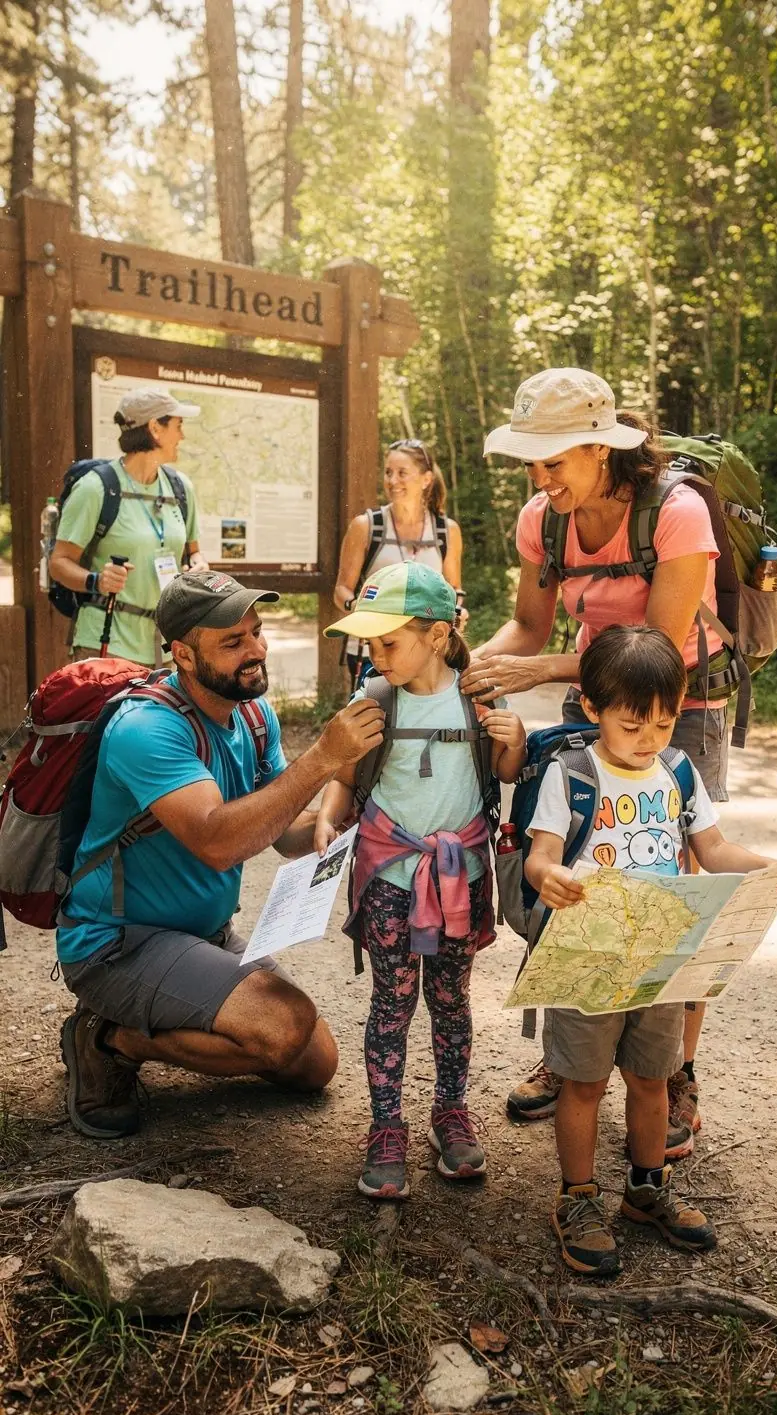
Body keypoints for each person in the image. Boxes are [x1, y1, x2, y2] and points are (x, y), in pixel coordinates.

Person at [463, 367, 727, 1153]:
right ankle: (573, 1050)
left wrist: (541, 670)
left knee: (670, 885)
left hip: (676, 708)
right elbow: (525, 625)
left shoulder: (677, 517)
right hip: (587, 703)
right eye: (532, 465)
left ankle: (673, 1071)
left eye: (555, 462)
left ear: (601, 448)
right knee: (580, 871)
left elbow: (657, 653)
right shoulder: (542, 521)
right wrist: (457, 669)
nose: (541, 481)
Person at [57, 571, 385, 1140]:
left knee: (314, 1063)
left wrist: (342, 823)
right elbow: (219, 842)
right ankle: (108, 1037)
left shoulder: (252, 715)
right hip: (117, 942)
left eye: (256, 634)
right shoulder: (149, 728)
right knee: (283, 1028)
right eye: (233, 644)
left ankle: (163, 1016)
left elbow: (282, 828)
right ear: (183, 654)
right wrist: (324, 758)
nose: (255, 652)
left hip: (206, 935)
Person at [525, 625, 777, 1277]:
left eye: (664, 721)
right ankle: (578, 1198)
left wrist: (770, 869)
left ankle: (646, 1189)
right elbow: (540, 857)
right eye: (632, 724)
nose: (649, 737)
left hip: (660, 956)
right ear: (592, 708)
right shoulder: (570, 774)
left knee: (654, 1077)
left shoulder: (679, 771)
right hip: (590, 959)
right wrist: (552, 878)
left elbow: (713, 850)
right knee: (585, 1082)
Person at [316, 563, 527, 1199]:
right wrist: (328, 818)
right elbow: (344, 772)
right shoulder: (373, 700)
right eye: (369, 645)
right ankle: (386, 1128)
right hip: (388, 878)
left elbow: (508, 770)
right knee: (392, 1002)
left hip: (460, 876)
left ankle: (449, 1113)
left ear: (437, 637)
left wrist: (515, 739)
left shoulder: (480, 697)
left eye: (388, 643)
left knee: (452, 1000)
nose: (375, 657)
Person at [49, 388, 208, 665]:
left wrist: (198, 565)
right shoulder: (96, 488)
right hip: (106, 642)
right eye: (178, 426)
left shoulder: (181, 488)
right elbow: (59, 563)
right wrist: (97, 581)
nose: (182, 436)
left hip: (165, 643)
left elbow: (194, 551)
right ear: (155, 428)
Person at [333, 439, 465, 693]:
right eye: (388, 472)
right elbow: (341, 589)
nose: (392, 481)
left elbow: (454, 588)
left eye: (402, 473)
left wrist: (458, 610)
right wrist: (359, 610)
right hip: (373, 649)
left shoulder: (447, 531)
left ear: (426, 479)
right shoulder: (366, 526)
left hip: (426, 652)